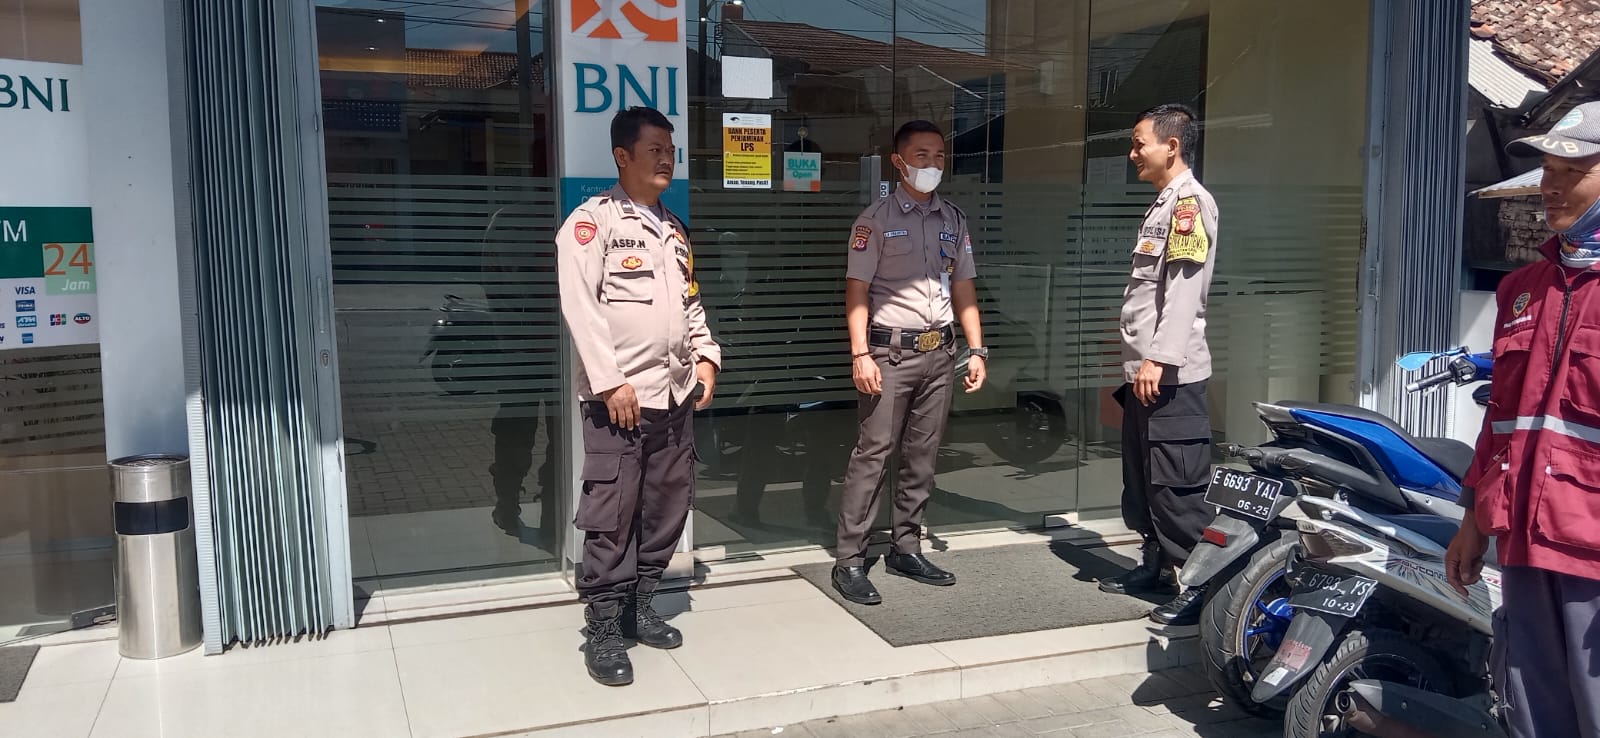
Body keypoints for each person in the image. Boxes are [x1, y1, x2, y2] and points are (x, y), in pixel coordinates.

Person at [1448, 100, 1600, 738]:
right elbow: (1500, 423)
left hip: (1592, 551)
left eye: (1573, 170)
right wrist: (1471, 522)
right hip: (1523, 541)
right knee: (1531, 714)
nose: (1551, 186)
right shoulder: (1522, 290)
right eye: (1547, 170)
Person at [555, 106, 720, 686]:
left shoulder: (674, 228)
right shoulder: (591, 223)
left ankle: (638, 605)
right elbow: (580, 307)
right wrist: (609, 381)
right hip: (619, 401)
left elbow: (690, 303)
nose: (666, 159)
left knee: (666, 506)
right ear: (622, 157)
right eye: (655, 150)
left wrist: (707, 357)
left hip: (674, 396)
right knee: (612, 514)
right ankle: (603, 626)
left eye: (671, 150)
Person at [832, 120, 988, 606]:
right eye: (922, 156)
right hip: (889, 354)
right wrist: (860, 354)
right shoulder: (874, 220)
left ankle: (907, 547)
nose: (932, 164)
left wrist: (977, 349)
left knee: (923, 455)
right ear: (898, 162)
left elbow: (963, 287)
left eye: (939, 156)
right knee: (874, 454)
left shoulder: (953, 219)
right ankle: (850, 559)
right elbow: (857, 290)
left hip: (939, 353)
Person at [1097, 103, 1220, 628]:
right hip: (1144, 374)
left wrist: (1159, 358)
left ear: (1171, 146)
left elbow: (1184, 291)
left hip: (1169, 376)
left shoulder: (1190, 204)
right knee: (1143, 478)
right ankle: (1155, 564)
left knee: (1176, 486)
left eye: (1138, 143)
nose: (1133, 154)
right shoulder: (1163, 205)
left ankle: (1203, 586)